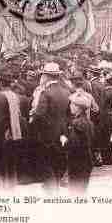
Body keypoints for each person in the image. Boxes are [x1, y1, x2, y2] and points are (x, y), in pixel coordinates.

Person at [29, 62, 70, 193]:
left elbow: (40, 114)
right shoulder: (66, 92)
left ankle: (51, 189)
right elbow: (69, 114)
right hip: (63, 133)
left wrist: (32, 120)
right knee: (59, 160)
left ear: (46, 76)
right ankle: (56, 184)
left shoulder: (45, 93)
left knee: (48, 162)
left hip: (47, 134)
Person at [66, 92, 93, 194]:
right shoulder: (89, 123)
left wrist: (64, 140)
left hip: (77, 162)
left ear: (78, 107)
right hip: (87, 160)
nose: (70, 106)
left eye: (72, 104)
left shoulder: (76, 123)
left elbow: (74, 144)